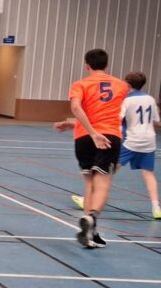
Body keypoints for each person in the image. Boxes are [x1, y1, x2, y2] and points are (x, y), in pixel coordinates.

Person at [52, 48, 129, 247]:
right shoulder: (121, 86)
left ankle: (90, 233)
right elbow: (109, 112)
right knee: (103, 182)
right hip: (108, 136)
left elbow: (77, 108)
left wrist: (81, 127)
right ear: (107, 64)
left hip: (83, 137)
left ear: (87, 65)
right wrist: (96, 133)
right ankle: (92, 217)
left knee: (89, 184)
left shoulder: (80, 85)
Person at [66, 71, 160, 220]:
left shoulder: (126, 100)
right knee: (148, 173)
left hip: (131, 141)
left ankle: (89, 200)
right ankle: (156, 207)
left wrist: (76, 124)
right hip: (149, 140)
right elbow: (157, 121)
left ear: (127, 84)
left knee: (104, 172)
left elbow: (116, 118)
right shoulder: (150, 99)